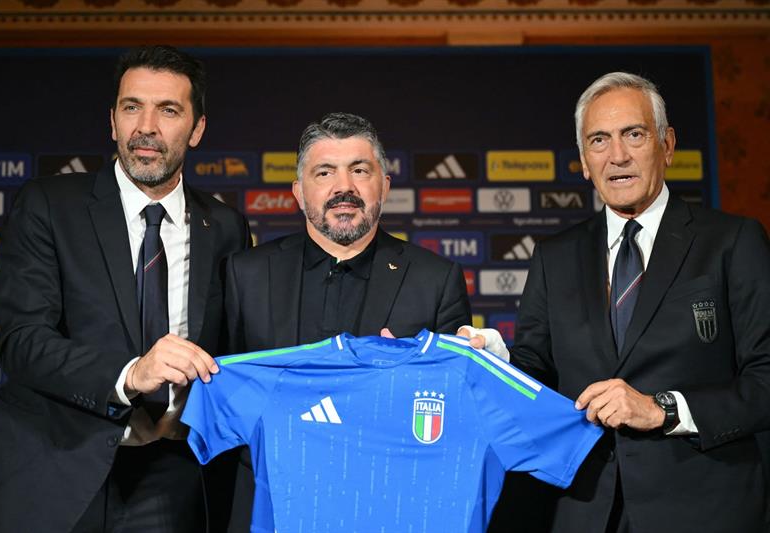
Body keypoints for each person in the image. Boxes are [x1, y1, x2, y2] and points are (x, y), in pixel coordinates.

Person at [0, 45, 251, 533]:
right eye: (131, 107)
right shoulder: (47, 205)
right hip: (52, 466)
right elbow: (23, 342)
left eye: (168, 110)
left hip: (171, 478)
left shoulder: (226, 226)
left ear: (197, 128)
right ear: (113, 122)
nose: (146, 126)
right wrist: (131, 374)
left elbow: (241, 349)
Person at [504, 72, 770, 532]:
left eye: (634, 134)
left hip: (703, 511)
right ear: (584, 161)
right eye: (599, 140)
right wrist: (491, 361)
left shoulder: (732, 242)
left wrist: (663, 409)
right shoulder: (553, 257)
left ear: (667, 145)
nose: (618, 155)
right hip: (584, 511)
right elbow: (535, 373)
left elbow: (765, 379)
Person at [223, 112, 473, 530]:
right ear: (299, 192)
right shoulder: (245, 273)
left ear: (384, 186)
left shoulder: (436, 279)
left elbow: (456, 416)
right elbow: (224, 397)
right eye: (325, 172)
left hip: (387, 508)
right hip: (271, 508)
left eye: (360, 170)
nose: (344, 187)